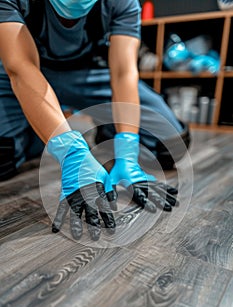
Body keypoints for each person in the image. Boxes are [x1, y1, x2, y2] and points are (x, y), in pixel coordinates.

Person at [0, 0, 188, 241]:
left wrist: (128, 150)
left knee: (169, 143)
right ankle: (42, 133)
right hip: (28, 70)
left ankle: (107, 132)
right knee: (3, 157)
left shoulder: (122, 3)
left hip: (89, 74)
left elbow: (123, 72)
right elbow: (21, 67)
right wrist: (70, 151)